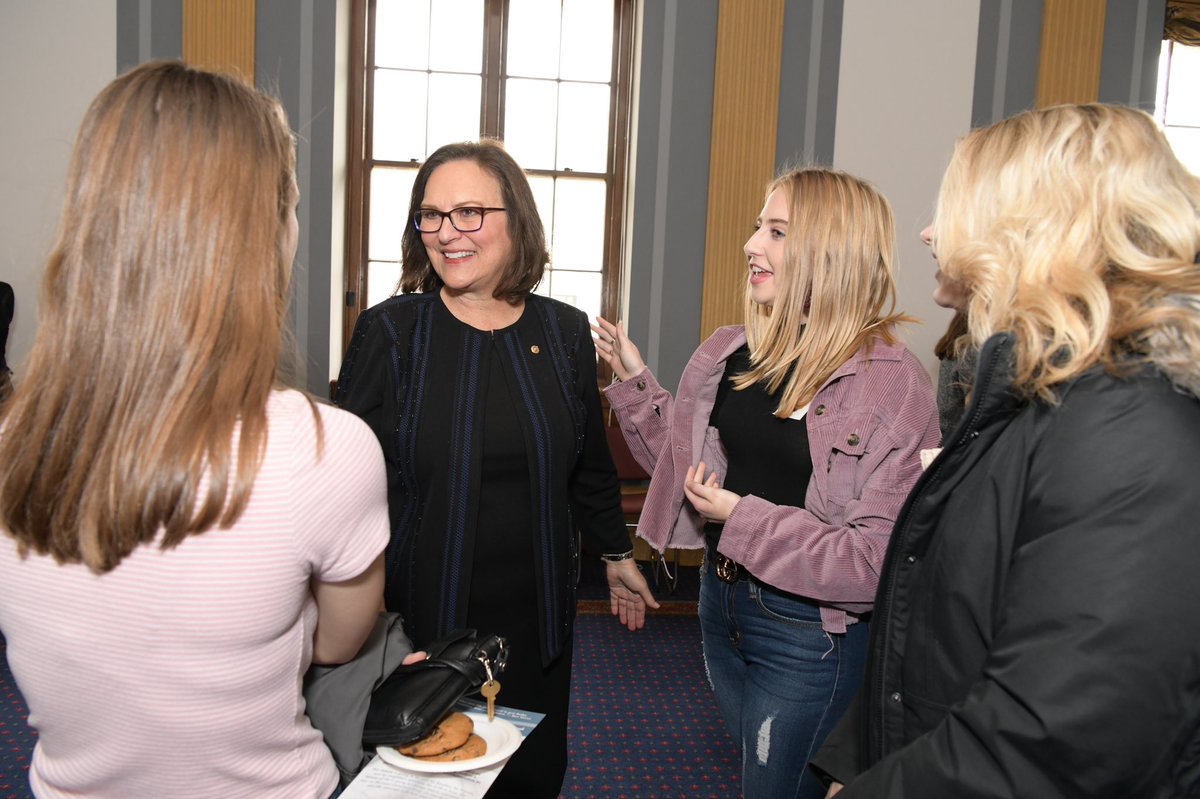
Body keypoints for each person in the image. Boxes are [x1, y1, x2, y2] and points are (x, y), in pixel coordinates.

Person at [0, 61, 392, 799]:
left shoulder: (13, 440)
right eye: (292, 207)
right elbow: (339, 645)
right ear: (260, 234)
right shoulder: (325, 448)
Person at [811, 104, 1200, 798]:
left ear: (1032, 230)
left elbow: (1057, 742)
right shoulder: (1029, 397)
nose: (929, 232)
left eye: (953, 208)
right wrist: (855, 756)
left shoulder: (1129, 427)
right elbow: (935, 620)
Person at [594, 167, 939, 799]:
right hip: (720, 604)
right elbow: (685, 469)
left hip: (809, 632)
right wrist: (636, 382)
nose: (752, 244)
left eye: (776, 232)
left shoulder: (892, 382)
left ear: (830, 252)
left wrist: (740, 516)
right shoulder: (734, 350)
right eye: (759, 227)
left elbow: (872, 564)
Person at [334, 139, 659, 798]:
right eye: (431, 215)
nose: (447, 231)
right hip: (422, 620)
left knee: (531, 777)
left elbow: (587, 465)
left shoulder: (564, 333)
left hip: (539, 619)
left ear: (517, 221)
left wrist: (616, 553)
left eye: (469, 212)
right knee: (430, 781)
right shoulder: (392, 333)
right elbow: (344, 483)